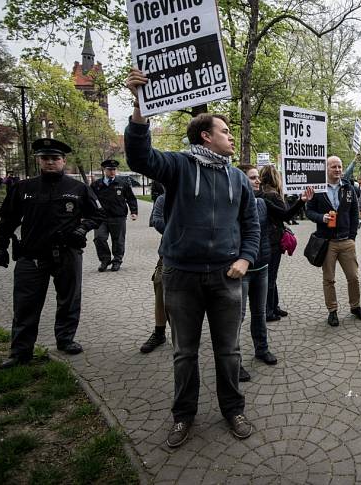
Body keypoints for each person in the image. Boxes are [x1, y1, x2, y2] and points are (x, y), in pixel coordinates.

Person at [124, 68, 260, 447]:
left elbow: (251, 223)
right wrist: (139, 108)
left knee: (229, 351)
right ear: (206, 136)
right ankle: (183, 416)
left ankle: (233, 409)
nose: (230, 136)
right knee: (184, 353)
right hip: (181, 277)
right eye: (225, 131)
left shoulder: (236, 178)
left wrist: (246, 259)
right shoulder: (180, 166)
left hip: (226, 278)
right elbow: (140, 157)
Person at [0, 138, 105, 368]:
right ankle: (20, 352)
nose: (50, 162)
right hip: (31, 256)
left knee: (69, 300)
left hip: (67, 254)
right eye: (45, 158)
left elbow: (98, 215)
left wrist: (82, 228)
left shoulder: (78, 188)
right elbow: (7, 221)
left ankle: (65, 340)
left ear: (64, 161)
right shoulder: (23, 188)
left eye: (55, 158)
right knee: (25, 304)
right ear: (38, 161)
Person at [305, 155, 361, 327]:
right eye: (333, 167)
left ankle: (355, 307)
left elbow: (354, 213)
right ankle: (332, 311)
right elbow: (308, 212)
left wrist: (353, 237)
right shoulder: (317, 189)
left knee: (353, 277)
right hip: (327, 242)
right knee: (329, 279)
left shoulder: (348, 188)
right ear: (326, 168)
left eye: (339, 166)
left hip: (347, 241)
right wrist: (321, 217)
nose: (338, 170)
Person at [257, 165, 314, 321]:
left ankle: (274, 307)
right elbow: (286, 215)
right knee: (270, 277)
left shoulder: (262, 194)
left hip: (266, 239)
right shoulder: (272, 195)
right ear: (276, 177)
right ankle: (269, 311)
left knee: (271, 276)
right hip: (273, 241)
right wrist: (301, 201)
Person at [237, 165, 278, 373]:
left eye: (257, 178)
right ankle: (234, 362)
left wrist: (302, 201)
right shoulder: (232, 204)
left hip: (262, 266)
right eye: (253, 177)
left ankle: (262, 349)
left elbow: (283, 215)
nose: (257, 181)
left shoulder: (262, 203)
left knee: (259, 313)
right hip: (241, 271)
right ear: (241, 180)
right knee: (238, 316)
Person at [91, 159, 138, 272]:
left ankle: (117, 261)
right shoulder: (96, 185)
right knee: (99, 238)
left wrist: (134, 212)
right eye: (109, 169)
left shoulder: (122, 183)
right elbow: (90, 200)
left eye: (114, 169)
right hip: (101, 217)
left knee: (118, 240)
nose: (112, 172)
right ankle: (105, 260)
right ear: (104, 170)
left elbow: (131, 198)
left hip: (118, 216)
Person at [141, 192, 168, 353]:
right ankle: (159, 332)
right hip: (169, 254)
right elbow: (158, 222)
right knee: (160, 286)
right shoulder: (163, 199)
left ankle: (188, 334)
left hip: (197, 256)